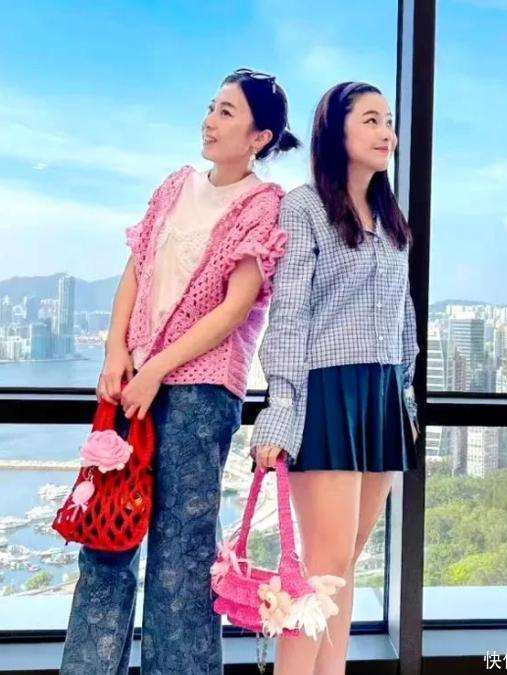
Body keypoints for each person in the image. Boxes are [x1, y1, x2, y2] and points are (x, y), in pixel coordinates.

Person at [60, 68, 300, 675]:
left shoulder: (263, 205)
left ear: (259, 138)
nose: (209, 121)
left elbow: (235, 308)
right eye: (211, 107)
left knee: (182, 558)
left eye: (226, 112)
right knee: (105, 538)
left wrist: (156, 370)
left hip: (200, 393)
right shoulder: (174, 187)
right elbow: (136, 272)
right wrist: (115, 353)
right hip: (132, 384)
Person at [251, 81, 419, 674]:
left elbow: (404, 315)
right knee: (319, 575)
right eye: (371, 120)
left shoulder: (391, 219)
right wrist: (281, 407)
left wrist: (406, 399)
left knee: (343, 571)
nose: (386, 133)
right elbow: (289, 314)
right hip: (327, 393)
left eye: (388, 121)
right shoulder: (305, 208)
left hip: (382, 396)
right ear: (335, 130)